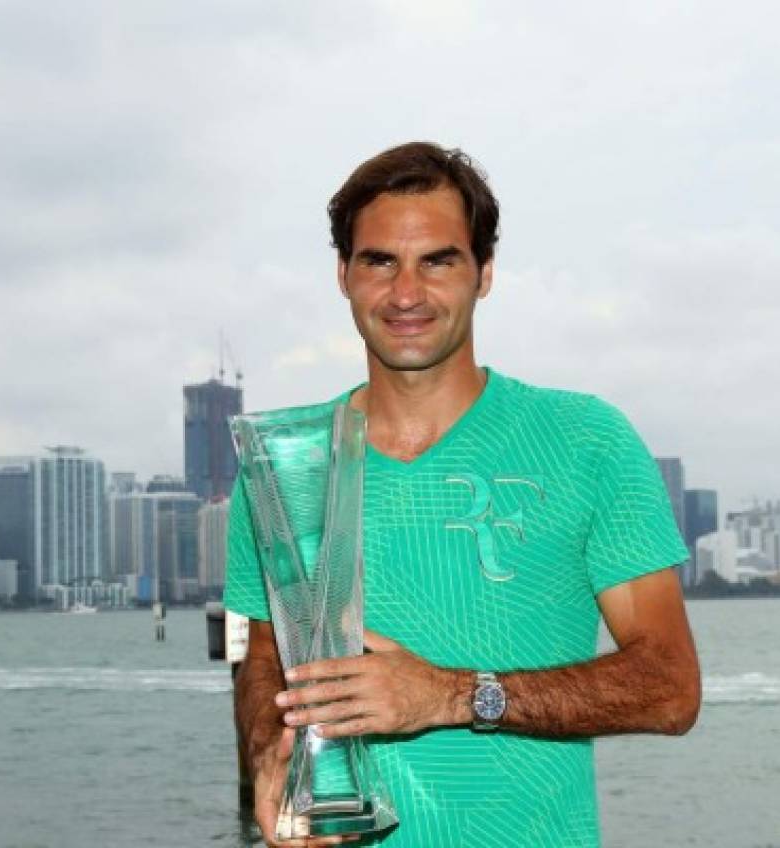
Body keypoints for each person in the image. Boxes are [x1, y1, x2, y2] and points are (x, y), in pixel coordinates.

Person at [223, 142, 701, 848]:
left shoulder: (585, 441)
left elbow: (669, 688)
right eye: (379, 261)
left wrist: (450, 695)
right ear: (343, 276)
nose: (406, 293)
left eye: (438, 261)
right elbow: (264, 659)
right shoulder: (285, 463)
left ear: (484, 274)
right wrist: (268, 754)